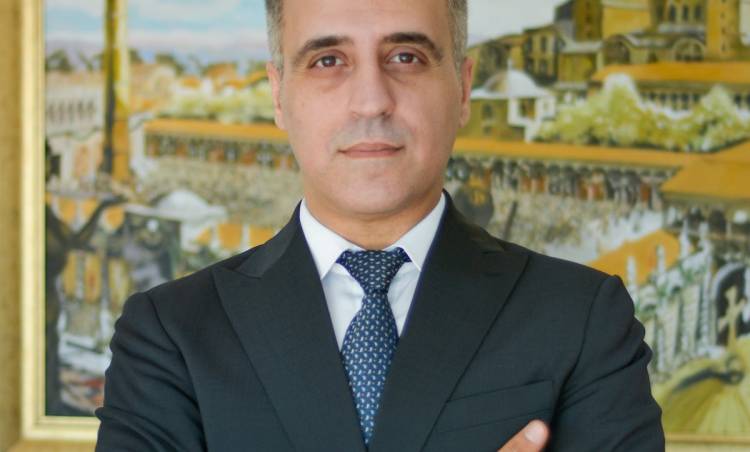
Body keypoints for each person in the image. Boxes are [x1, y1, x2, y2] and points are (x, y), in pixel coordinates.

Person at [94, 0, 664, 450]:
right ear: (278, 94)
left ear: (463, 88)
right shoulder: (170, 334)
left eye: (406, 57)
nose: (371, 101)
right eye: (328, 60)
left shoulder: (583, 320)